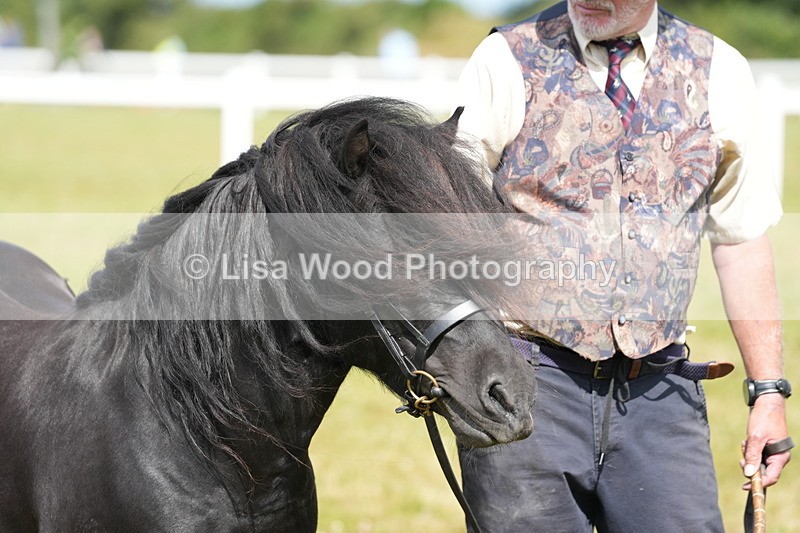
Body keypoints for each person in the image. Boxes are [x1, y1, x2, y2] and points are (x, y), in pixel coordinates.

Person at [454, 1, 792, 531]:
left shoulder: (720, 69)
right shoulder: (505, 59)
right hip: (525, 385)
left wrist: (768, 391)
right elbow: (446, 221)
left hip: (661, 392)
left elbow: (742, 240)